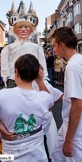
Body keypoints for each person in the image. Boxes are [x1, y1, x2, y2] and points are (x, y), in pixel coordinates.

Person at [0, 54, 57, 162]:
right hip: (38, 156)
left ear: (17, 72)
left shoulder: (2, 95)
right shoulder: (44, 97)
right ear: (36, 74)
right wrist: (40, 80)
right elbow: (49, 101)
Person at [52, 27, 82, 161]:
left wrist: (69, 140)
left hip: (75, 130)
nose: (53, 49)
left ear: (61, 45)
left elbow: (77, 106)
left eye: (54, 45)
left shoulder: (73, 66)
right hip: (69, 126)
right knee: (57, 156)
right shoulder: (78, 61)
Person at [1, 11, 48, 88]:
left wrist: (44, 76)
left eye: (26, 27)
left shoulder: (37, 48)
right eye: (20, 27)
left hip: (33, 79)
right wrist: (5, 75)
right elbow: (4, 63)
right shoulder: (9, 48)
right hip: (14, 79)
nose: (23, 30)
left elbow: (42, 63)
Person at [32, 64, 63, 161]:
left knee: (48, 139)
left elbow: (60, 95)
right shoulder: (33, 83)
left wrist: (51, 103)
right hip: (39, 119)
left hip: (46, 118)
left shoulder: (45, 83)